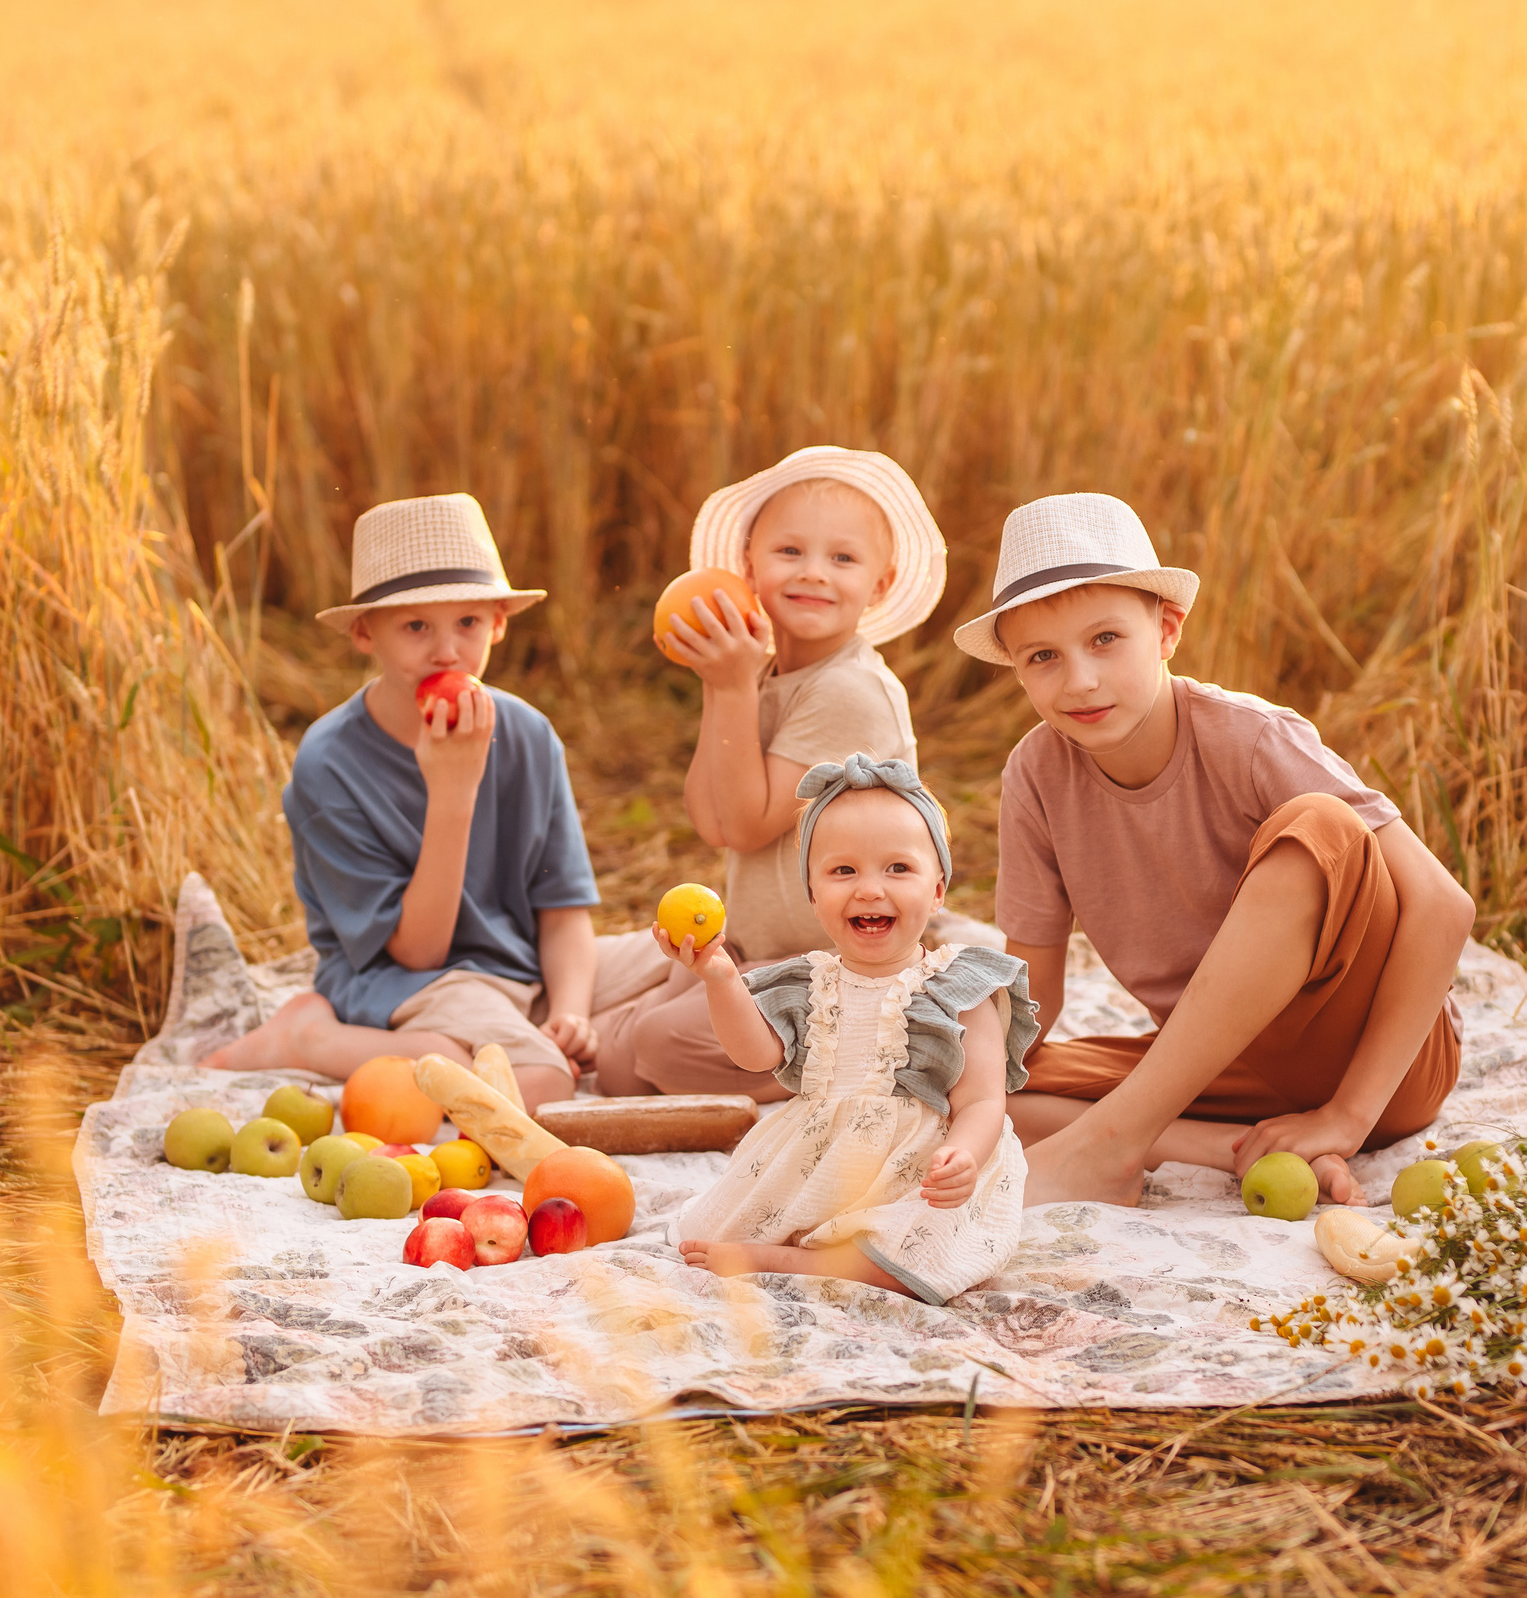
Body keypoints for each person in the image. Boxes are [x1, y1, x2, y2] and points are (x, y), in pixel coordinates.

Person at [954, 493, 1475, 1209]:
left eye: (1105, 639)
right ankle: (1232, 1148)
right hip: (1219, 1071)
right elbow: (1033, 1002)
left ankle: (1113, 1142)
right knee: (975, 1088)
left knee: (1318, 823)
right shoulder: (1035, 774)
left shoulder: (1253, 738)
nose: (1080, 680)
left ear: (1167, 630)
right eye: (1043, 656)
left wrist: (1349, 1115)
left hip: (1379, 1063)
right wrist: (950, 1063)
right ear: (1015, 668)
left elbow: (1445, 905)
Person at [207, 493, 601, 1111]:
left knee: (700, 972)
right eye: (416, 627)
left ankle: (451, 1046)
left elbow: (564, 909)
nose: (447, 652)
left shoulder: (527, 733)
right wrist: (453, 790)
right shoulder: (330, 761)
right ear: (365, 631)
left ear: (499, 621)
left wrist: (573, 1013)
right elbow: (419, 951)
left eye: (467, 623)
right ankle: (312, 1038)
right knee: (544, 1083)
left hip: (515, 967)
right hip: (401, 979)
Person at [589, 447, 947, 1102]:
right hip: (758, 951)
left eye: (843, 558)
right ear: (749, 567)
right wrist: (722, 684)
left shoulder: (849, 689)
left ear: (881, 584)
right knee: (617, 1064)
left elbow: (746, 826)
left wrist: (731, 687)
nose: (814, 572)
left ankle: (863, 1065)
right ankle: (779, 1059)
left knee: (657, 1044)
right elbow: (712, 819)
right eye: (790, 551)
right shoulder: (763, 674)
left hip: (838, 961)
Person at [663, 755, 1035, 1303]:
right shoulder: (809, 983)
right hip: (824, 1160)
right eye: (843, 871)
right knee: (724, 1220)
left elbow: (982, 1100)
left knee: (923, 1248)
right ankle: (805, 1244)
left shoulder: (958, 987)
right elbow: (754, 1055)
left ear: (937, 890)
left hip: (918, 1172)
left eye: (897, 868)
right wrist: (720, 979)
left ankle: (792, 1260)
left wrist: (964, 1155)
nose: (869, 890)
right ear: (813, 896)